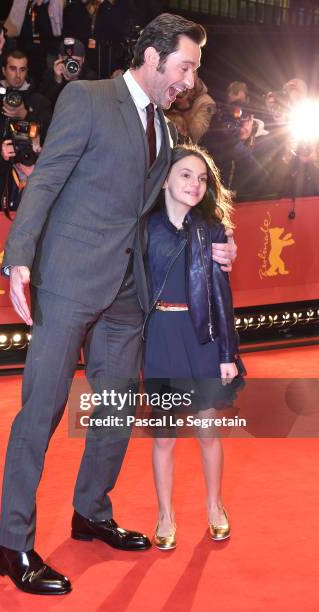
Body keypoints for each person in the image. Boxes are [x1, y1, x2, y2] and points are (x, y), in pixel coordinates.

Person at [0, 13, 237, 596]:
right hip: (68, 281)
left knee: (118, 407)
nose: (190, 80)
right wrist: (18, 254)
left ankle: (90, 510)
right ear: (152, 58)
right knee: (42, 412)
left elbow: (174, 206)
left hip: (127, 291)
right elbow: (45, 179)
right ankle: (11, 542)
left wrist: (216, 242)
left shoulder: (169, 132)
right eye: (185, 67)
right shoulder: (88, 98)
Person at [143, 144, 245, 550]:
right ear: (165, 178)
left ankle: (215, 505)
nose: (195, 184)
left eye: (202, 178)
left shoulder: (212, 229)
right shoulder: (143, 227)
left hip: (201, 337)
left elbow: (222, 296)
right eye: (186, 174)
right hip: (160, 341)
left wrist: (227, 354)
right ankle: (165, 514)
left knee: (207, 431)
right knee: (164, 436)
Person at [38, 37, 97, 109]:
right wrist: (57, 81)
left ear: (83, 59)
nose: (72, 65)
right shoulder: (49, 74)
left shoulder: (91, 77)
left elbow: (89, 104)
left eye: (76, 61)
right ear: (60, 57)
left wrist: (75, 80)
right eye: (68, 61)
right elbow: (44, 105)